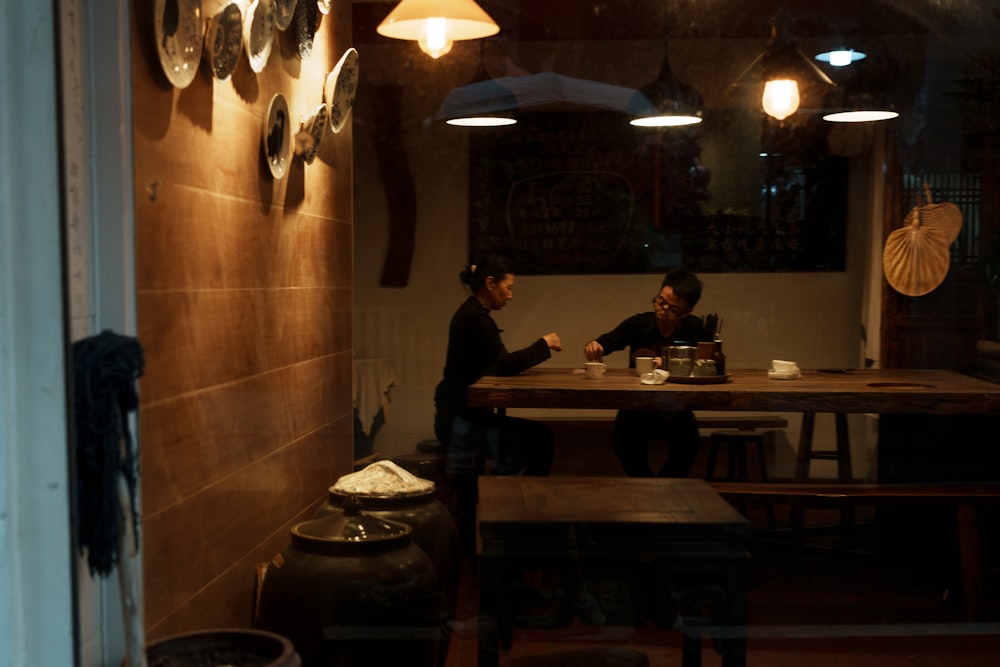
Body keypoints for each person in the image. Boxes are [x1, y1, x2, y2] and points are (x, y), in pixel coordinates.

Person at [433, 256, 562, 539]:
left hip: (459, 419)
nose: (511, 295)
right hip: (460, 425)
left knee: (533, 440)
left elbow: (492, 365)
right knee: (540, 439)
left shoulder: (472, 314)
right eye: (509, 287)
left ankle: (505, 508)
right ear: (491, 284)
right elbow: (503, 363)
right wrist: (544, 344)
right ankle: (522, 518)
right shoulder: (475, 319)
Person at [583, 268, 710, 478]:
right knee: (623, 435)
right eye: (660, 302)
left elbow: (709, 363)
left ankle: (667, 487)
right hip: (638, 405)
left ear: (687, 312)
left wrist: (667, 362)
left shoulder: (694, 328)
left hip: (676, 406)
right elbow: (608, 341)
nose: (662, 311)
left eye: (672, 310)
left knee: (688, 440)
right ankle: (645, 484)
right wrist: (595, 346)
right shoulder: (640, 323)